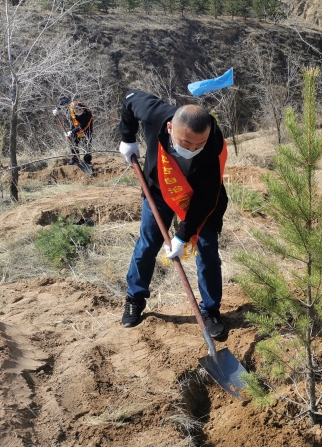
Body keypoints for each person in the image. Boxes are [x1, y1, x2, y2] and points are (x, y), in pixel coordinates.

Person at [118, 89, 229, 338]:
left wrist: (182, 235)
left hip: (201, 199)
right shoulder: (156, 113)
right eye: (186, 143)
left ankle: (210, 310)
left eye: (199, 144)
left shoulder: (214, 147)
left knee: (208, 250)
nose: (193, 149)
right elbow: (129, 99)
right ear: (169, 128)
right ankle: (135, 297)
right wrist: (127, 137)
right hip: (160, 190)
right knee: (148, 244)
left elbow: (206, 199)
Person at [54, 99, 93, 167]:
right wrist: (57, 109)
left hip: (87, 128)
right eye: (75, 110)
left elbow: (81, 126)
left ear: (83, 110)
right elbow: (64, 101)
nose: (76, 112)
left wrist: (71, 131)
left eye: (78, 111)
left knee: (87, 144)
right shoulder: (72, 105)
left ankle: (87, 161)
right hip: (75, 125)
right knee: (72, 141)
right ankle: (75, 159)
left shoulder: (87, 115)